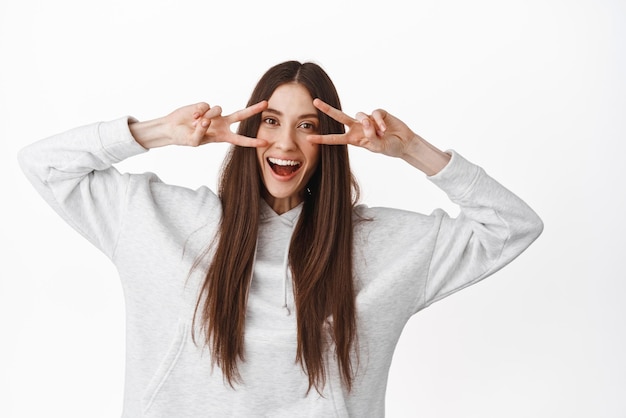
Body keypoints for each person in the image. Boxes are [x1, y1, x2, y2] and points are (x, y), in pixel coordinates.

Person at [18, 60, 543, 417]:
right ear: (249, 128)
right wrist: (161, 133)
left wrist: (410, 149)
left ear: (329, 142)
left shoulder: (379, 246)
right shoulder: (161, 219)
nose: (285, 142)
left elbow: (512, 226)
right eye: (271, 120)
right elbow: (44, 165)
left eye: (308, 125)